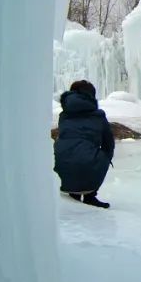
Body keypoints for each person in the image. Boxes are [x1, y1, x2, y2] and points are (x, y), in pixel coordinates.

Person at [53, 80, 113, 208]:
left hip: (60, 165)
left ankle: (72, 192)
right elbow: (109, 143)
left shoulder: (64, 115)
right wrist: (106, 158)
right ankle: (89, 195)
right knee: (98, 154)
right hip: (88, 165)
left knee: (70, 151)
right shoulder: (99, 116)